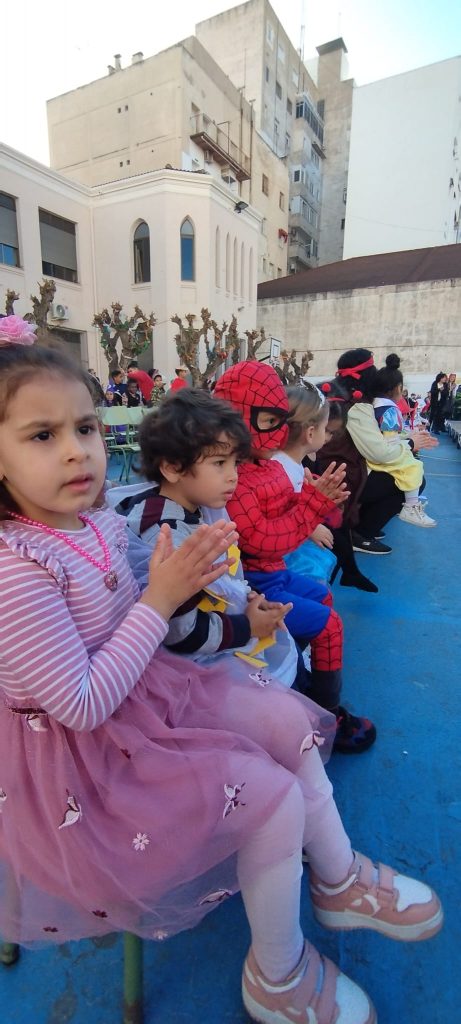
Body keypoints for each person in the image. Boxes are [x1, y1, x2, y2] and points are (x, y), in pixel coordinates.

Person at [0, 319, 444, 1024]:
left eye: (85, 428)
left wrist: (212, 600)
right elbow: (81, 704)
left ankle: (336, 879)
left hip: (147, 693)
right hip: (88, 763)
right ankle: (277, 974)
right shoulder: (18, 570)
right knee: (274, 801)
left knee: (286, 721)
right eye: (41, 435)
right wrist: (161, 600)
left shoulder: (97, 522)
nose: (78, 450)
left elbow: (171, 604)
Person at [214, 360, 376, 754]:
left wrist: (313, 499)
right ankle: (326, 714)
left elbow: (281, 517)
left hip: (273, 574)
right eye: (269, 420)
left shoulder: (262, 467)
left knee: (322, 596)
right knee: (330, 626)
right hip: (256, 582)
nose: (279, 430)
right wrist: (314, 505)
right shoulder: (241, 478)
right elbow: (264, 541)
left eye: (280, 419)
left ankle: (301, 679)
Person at [114, 388, 298, 688]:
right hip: (183, 673)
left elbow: (212, 588)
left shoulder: (190, 507)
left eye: (235, 463)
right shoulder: (167, 536)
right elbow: (182, 633)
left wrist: (245, 600)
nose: (233, 476)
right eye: (219, 463)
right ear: (172, 468)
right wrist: (248, 625)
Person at [336, 349, 437, 553]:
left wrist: (409, 439)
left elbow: (380, 439)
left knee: (404, 476)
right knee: (412, 479)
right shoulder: (357, 406)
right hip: (347, 475)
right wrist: (410, 443)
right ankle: (361, 533)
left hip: (348, 470)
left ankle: (363, 523)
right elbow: (380, 452)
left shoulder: (356, 402)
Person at [372, 355, 436, 528]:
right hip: (382, 459)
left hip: (373, 455)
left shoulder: (375, 405)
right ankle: (411, 506)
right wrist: (409, 443)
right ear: (398, 388)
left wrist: (409, 436)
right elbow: (390, 441)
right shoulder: (390, 410)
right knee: (414, 465)